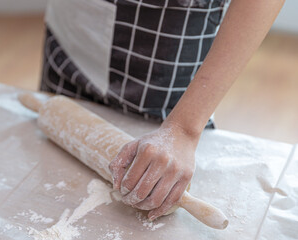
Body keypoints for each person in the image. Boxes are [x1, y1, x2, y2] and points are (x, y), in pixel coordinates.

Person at [40, 0, 285, 220]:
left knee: (160, 177)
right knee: (52, 139)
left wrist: (183, 130)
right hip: (72, 31)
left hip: (168, 47)